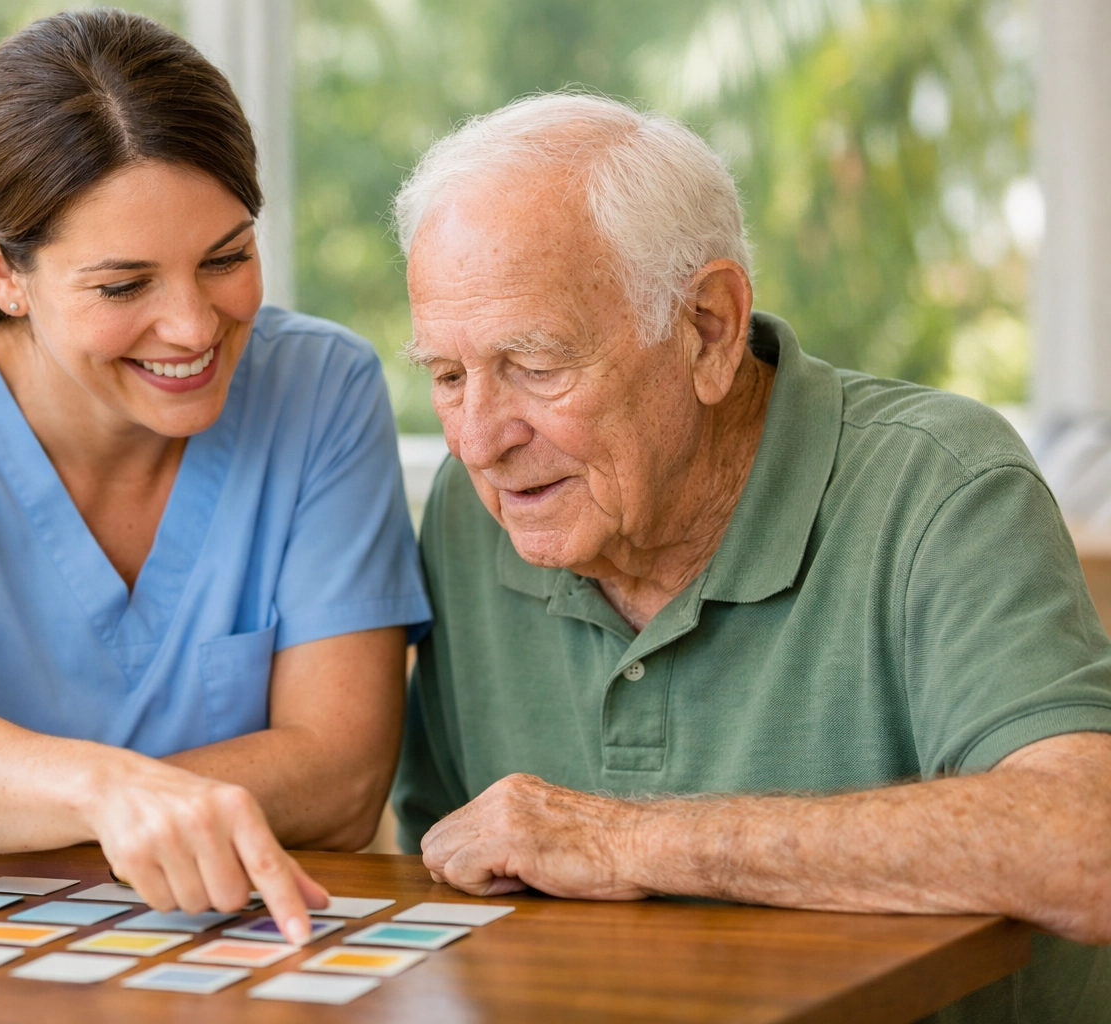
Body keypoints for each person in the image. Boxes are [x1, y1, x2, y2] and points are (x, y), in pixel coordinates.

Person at [391, 93, 1111, 1021]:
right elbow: (451, 899)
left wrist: (627, 842)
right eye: (447, 377)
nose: (481, 438)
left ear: (710, 329)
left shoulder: (940, 486)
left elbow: (1085, 841)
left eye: (536, 364)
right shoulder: (478, 509)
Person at [0, 9, 430, 945]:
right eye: (124, 286)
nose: (193, 327)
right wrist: (116, 793)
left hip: (175, 939)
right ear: (2, 272)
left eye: (227, 258)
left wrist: (45, 802)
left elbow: (342, 781)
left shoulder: (322, 391)